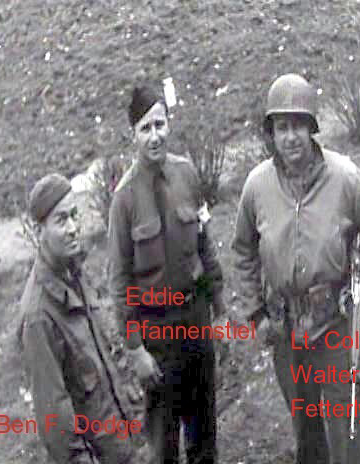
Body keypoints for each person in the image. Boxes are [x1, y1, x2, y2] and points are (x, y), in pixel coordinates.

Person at [231, 74, 360, 464]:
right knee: (308, 433)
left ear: (312, 128)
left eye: (298, 126)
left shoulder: (343, 176)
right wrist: (256, 313)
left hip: (336, 321)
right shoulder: (257, 186)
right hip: (286, 330)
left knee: (349, 426)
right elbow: (243, 250)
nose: (291, 137)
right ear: (271, 134)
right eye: (281, 127)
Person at [107, 84, 227, 464]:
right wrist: (135, 348)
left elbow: (205, 246)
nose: (155, 135)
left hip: (195, 318)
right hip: (156, 332)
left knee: (204, 436)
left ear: (169, 125)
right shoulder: (124, 199)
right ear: (133, 135)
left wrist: (220, 312)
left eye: (159, 124)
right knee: (165, 444)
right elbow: (120, 281)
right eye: (145, 128)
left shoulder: (186, 174)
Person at [19, 173, 142, 464]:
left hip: (125, 442)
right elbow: (56, 424)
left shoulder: (75, 274)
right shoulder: (38, 317)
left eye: (75, 215)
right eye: (61, 220)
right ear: (38, 231)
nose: (74, 228)